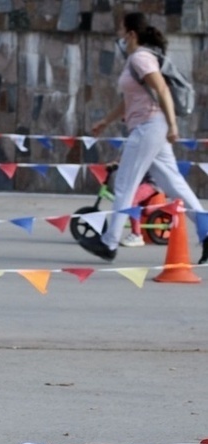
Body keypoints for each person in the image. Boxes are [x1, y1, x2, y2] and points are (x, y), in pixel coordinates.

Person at [81, 12, 208, 264]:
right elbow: (129, 100)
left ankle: (109, 242)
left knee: (125, 184)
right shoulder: (135, 60)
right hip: (149, 127)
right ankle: (207, 233)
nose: (117, 33)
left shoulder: (141, 58)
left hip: (149, 127)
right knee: (174, 185)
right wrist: (105, 121)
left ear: (131, 34)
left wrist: (172, 125)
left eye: (120, 28)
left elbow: (162, 89)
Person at [120, 170, 160, 248]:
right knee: (145, 210)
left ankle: (136, 235)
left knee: (132, 201)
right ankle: (167, 209)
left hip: (152, 182)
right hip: (146, 182)